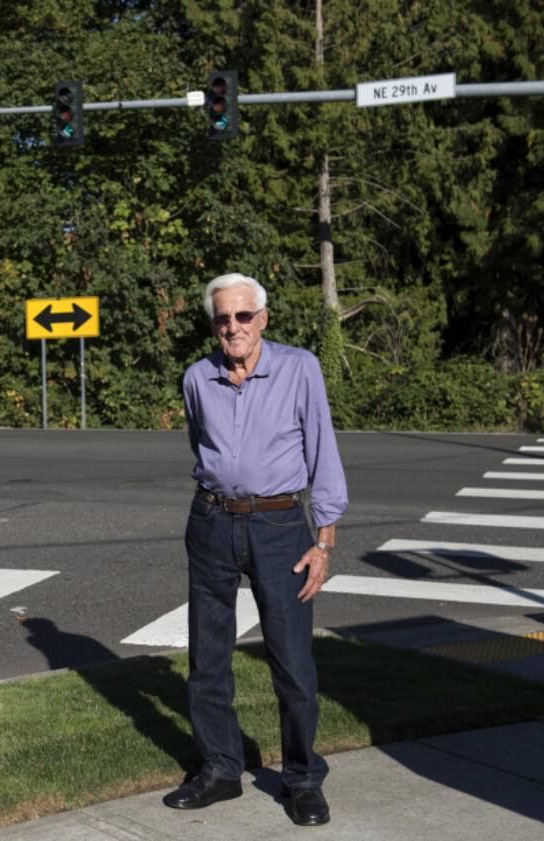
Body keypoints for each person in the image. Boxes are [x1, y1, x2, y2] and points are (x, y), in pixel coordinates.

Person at [164, 272, 348, 827]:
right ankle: (220, 770)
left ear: (263, 319)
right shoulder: (198, 377)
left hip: (279, 527)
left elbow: (323, 449)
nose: (233, 326)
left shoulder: (300, 368)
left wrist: (323, 540)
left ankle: (302, 779)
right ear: (213, 324)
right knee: (208, 658)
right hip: (212, 522)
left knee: (292, 661)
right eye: (223, 318)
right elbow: (204, 445)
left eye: (244, 316)